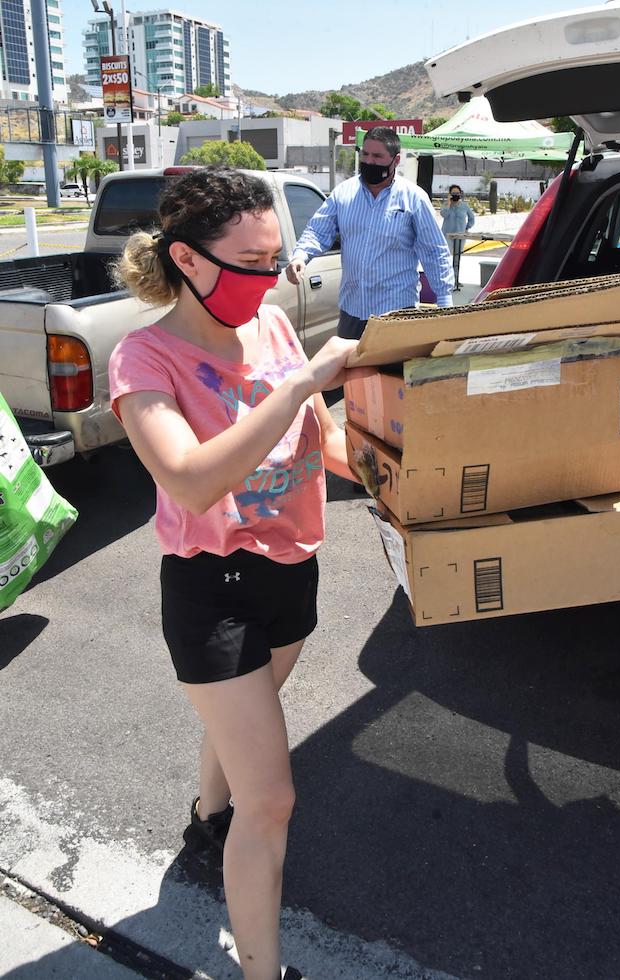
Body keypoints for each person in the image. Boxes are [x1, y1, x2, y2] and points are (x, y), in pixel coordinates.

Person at [108, 166, 368, 980]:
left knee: (244, 732)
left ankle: (205, 816)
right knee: (274, 798)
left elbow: (322, 445)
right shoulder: (144, 359)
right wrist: (298, 385)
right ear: (187, 260)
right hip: (209, 589)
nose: (270, 277)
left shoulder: (275, 327)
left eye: (276, 259)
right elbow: (188, 479)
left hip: (292, 569)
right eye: (251, 261)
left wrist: (413, 480)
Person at [285, 125, 455, 340]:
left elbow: (434, 251)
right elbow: (318, 230)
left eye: (377, 156)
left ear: (396, 160)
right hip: (351, 313)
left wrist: (444, 301)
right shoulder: (343, 193)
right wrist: (301, 255)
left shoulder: (413, 198)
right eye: (365, 154)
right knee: (351, 373)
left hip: (395, 315)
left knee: (390, 374)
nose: (370, 162)